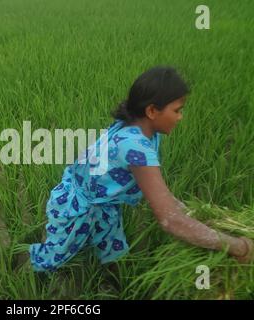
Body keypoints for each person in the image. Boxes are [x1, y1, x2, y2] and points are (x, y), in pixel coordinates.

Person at [28, 66, 254, 272]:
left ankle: (113, 283)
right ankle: (25, 276)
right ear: (152, 111)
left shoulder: (137, 127)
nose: (180, 117)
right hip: (76, 208)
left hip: (103, 205)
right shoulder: (135, 148)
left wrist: (189, 211)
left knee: (113, 255)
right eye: (177, 110)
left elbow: (155, 192)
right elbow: (170, 221)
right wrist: (240, 247)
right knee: (51, 259)